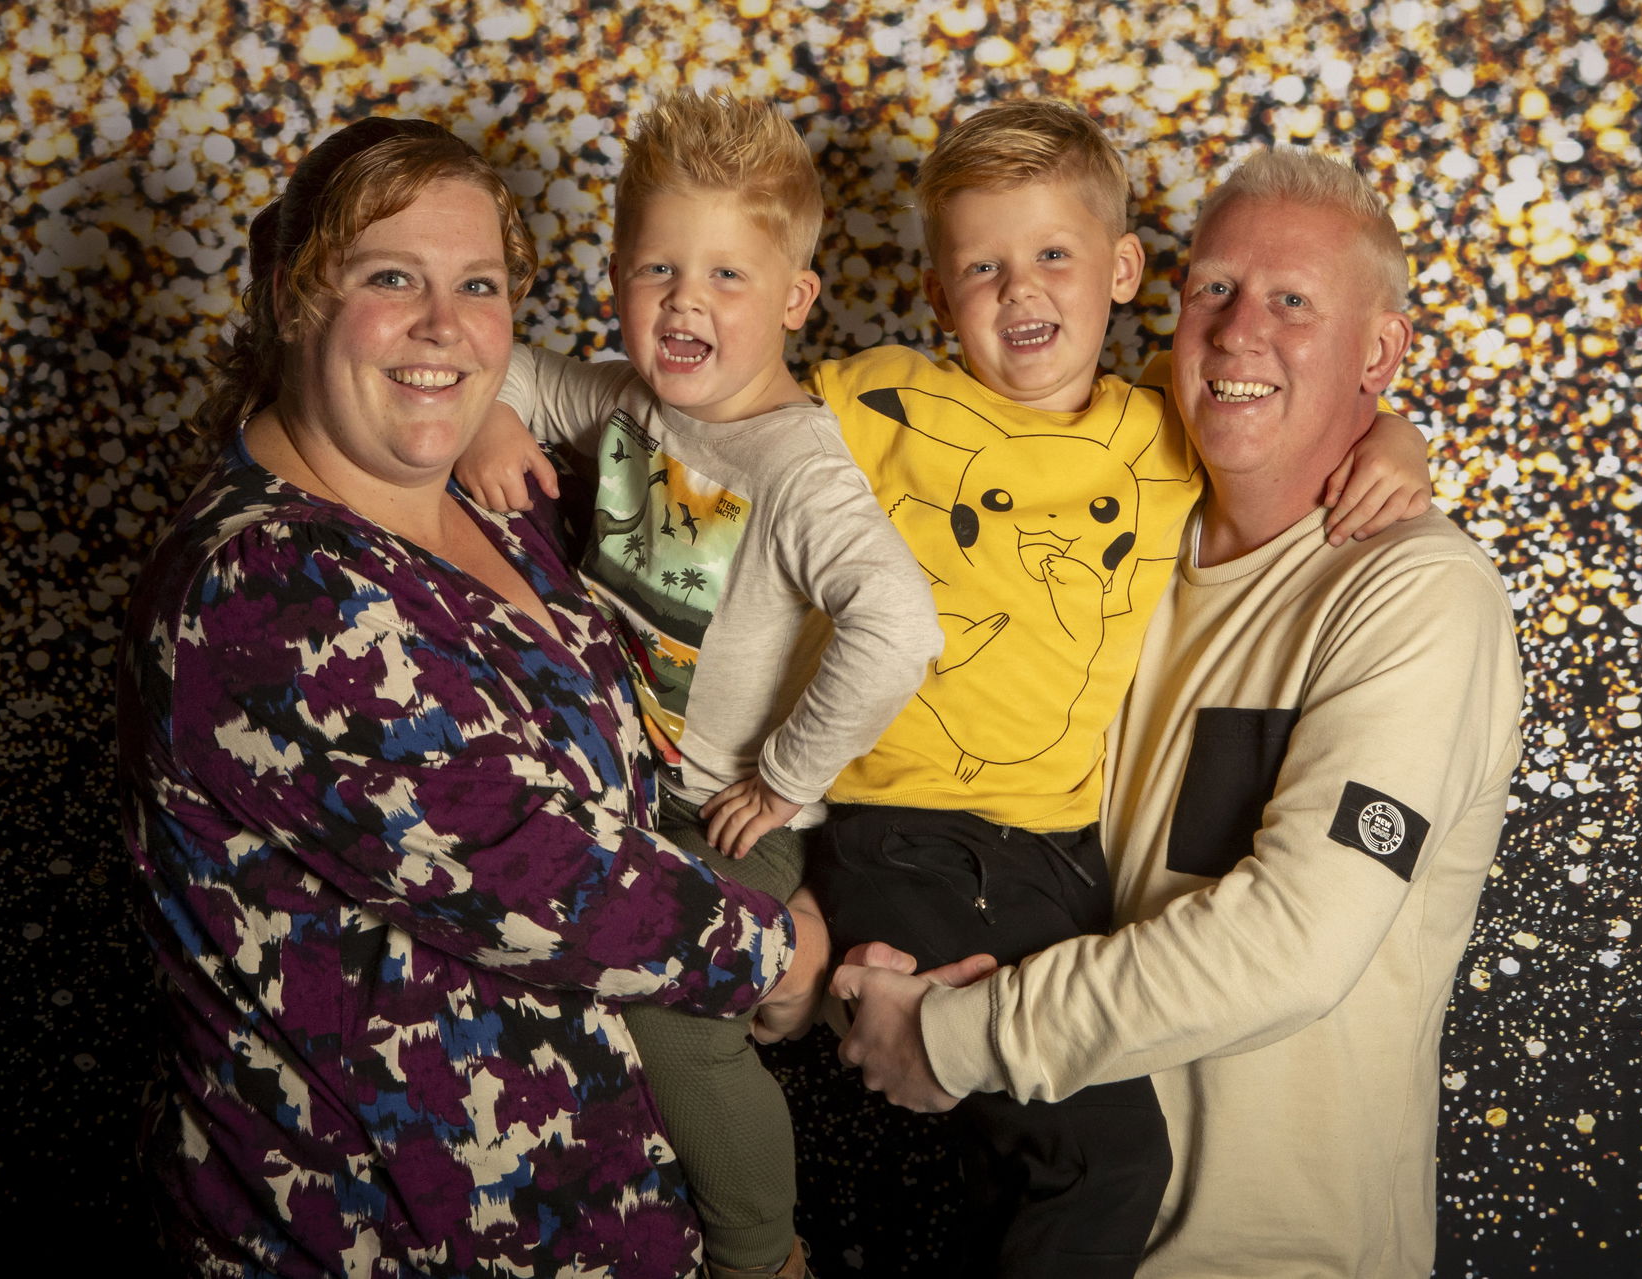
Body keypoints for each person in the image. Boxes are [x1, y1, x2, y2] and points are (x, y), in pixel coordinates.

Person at [462, 100, 1433, 1277]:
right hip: (910, 834)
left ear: (1124, 270)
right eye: (982, 267)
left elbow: (1276, 406)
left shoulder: (1163, 432)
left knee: (1032, 1160)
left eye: (1054, 259)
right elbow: (725, 403)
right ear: (936, 295)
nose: (1020, 292)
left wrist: (1393, 440)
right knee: (1107, 1161)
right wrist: (501, 411)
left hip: (1053, 856)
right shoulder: (874, 405)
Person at [116, 116, 829, 1279]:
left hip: (619, 1217)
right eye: (392, 277)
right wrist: (778, 949)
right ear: (296, 299)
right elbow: (539, 871)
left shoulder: (498, 499)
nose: (445, 325)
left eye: (480, 285)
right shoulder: (266, 587)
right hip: (391, 1237)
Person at [832, 146, 1526, 1279]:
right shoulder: (1120, 540)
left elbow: (1296, 943)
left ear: (1384, 351)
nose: (1241, 329)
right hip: (1030, 1224)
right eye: (1214, 289)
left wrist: (960, 1037)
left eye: (1294, 302)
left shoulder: (1415, 596)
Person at [457, 91, 941, 1279]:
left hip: (721, 813)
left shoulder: (797, 466)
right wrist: (490, 424)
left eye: (729, 276)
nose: (685, 301)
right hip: (613, 800)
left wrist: (782, 782)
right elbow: (500, 367)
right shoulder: (626, 402)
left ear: (792, 301)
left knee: (672, 1017)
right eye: (658, 268)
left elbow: (901, 624)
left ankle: (760, 1254)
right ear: (617, 276)